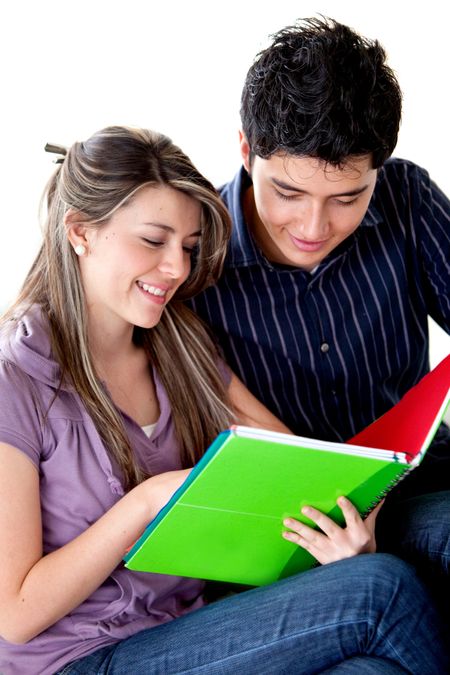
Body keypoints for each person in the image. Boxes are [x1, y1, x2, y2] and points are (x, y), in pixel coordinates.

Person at [0, 126, 447, 675]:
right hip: (77, 660)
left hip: (181, 631)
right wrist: (146, 502)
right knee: (380, 590)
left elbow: (295, 462)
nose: (176, 269)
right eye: (152, 240)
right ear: (80, 232)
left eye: (187, 248)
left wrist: (345, 531)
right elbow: (15, 612)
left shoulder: (179, 344)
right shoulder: (16, 377)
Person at [188, 17, 450, 625]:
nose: (312, 228)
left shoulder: (405, 197)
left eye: (347, 198)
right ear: (247, 151)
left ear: (378, 171)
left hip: (413, 478)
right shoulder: (189, 256)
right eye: (287, 192)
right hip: (294, 526)